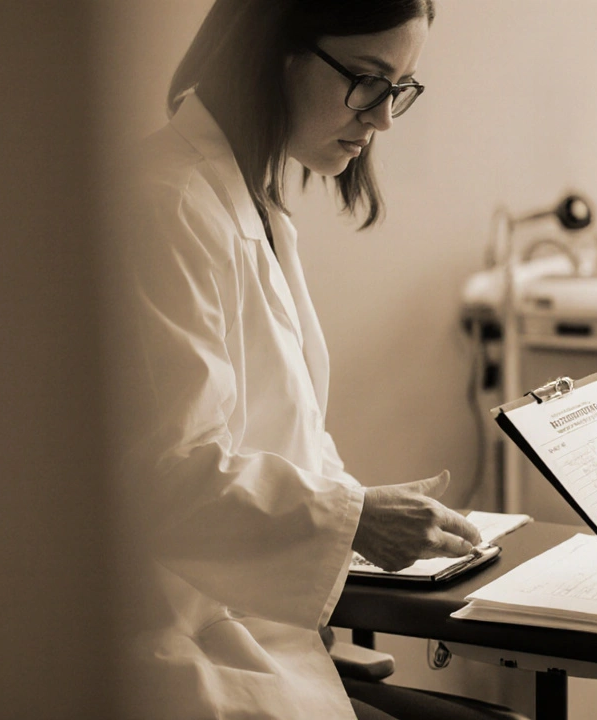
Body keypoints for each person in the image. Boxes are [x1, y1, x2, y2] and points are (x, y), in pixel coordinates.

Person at [107, 1, 522, 718]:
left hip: (263, 642)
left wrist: (366, 511)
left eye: (399, 88)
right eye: (368, 81)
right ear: (274, 51)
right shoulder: (167, 204)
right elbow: (167, 479)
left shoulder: (250, 205)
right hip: (183, 659)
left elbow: (278, 436)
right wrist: (353, 520)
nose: (383, 119)